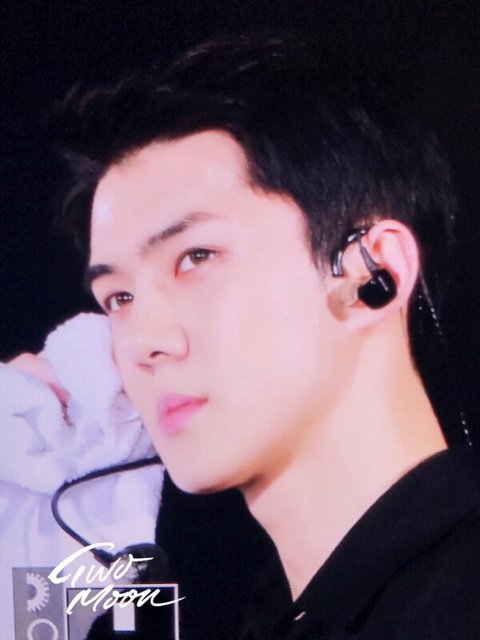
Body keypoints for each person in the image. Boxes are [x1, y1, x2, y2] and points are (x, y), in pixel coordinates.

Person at [7, 33, 480, 639]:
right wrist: (46, 602)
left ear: (370, 274)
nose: (143, 342)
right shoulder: (269, 613)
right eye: (119, 298)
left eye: (196, 257)